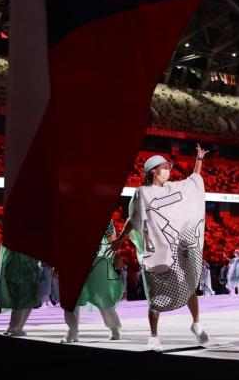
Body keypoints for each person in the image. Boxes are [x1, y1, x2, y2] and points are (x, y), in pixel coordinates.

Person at [111, 146, 211, 352]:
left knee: (189, 285)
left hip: (176, 248)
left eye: (169, 167)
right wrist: (120, 239)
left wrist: (199, 159)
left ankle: (197, 323)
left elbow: (192, 184)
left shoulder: (173, 188)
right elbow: (133, 219)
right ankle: (154, 336)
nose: (168, 170)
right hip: (156, 250)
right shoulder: (142, 193)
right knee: (155, 294)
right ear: (152, 171)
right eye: (164, 167)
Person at [62, 221, 124, 343]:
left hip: (98, 260)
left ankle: (114, 327)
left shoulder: (104, 216)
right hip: (73, 259)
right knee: (71, 297)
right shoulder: (68, 213)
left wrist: (116, 256)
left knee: (103, 296)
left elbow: (112, 239)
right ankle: (72, 331)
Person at [0, 246, 39, 336]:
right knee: (20, 303)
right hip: (21, 276)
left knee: (23, 303)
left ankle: (15, 327)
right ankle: (14, 327)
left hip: (19, 275)